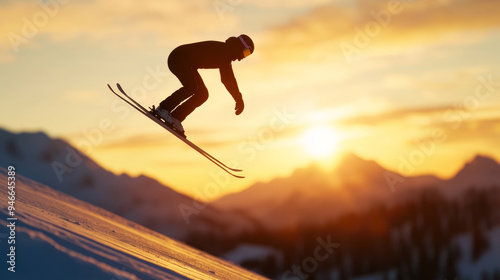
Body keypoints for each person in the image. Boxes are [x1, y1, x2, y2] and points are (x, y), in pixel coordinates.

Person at [153, 34, 254, 137]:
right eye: (245, 52)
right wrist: (238, 99)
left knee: (202, 94)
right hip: (178, 58)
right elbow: (227, 80)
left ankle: (176, 117)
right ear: (239, 47)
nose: (242, 58)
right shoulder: (224, 52)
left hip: (187, 64)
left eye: (247, 55)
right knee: (191, 87)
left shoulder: (226, 54)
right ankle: (163, 108)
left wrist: (238, 98)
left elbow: (231, 79)